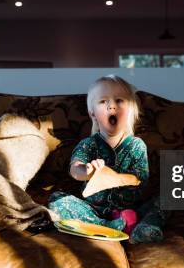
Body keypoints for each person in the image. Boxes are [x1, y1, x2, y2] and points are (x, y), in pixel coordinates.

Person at [48, 75, 166, 243]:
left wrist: (113, 177)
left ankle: (145, 227)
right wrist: (87, 172)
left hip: (133, 209)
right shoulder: (88, 144)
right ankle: (107, 226)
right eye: (103, 101)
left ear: (130, 109)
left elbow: (141, 180)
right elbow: (75, 169)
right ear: (93, 114)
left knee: (167, 198)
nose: (112, 106)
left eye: (119, 100)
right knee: (56, 200)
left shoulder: (136, 145)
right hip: (94, 210)